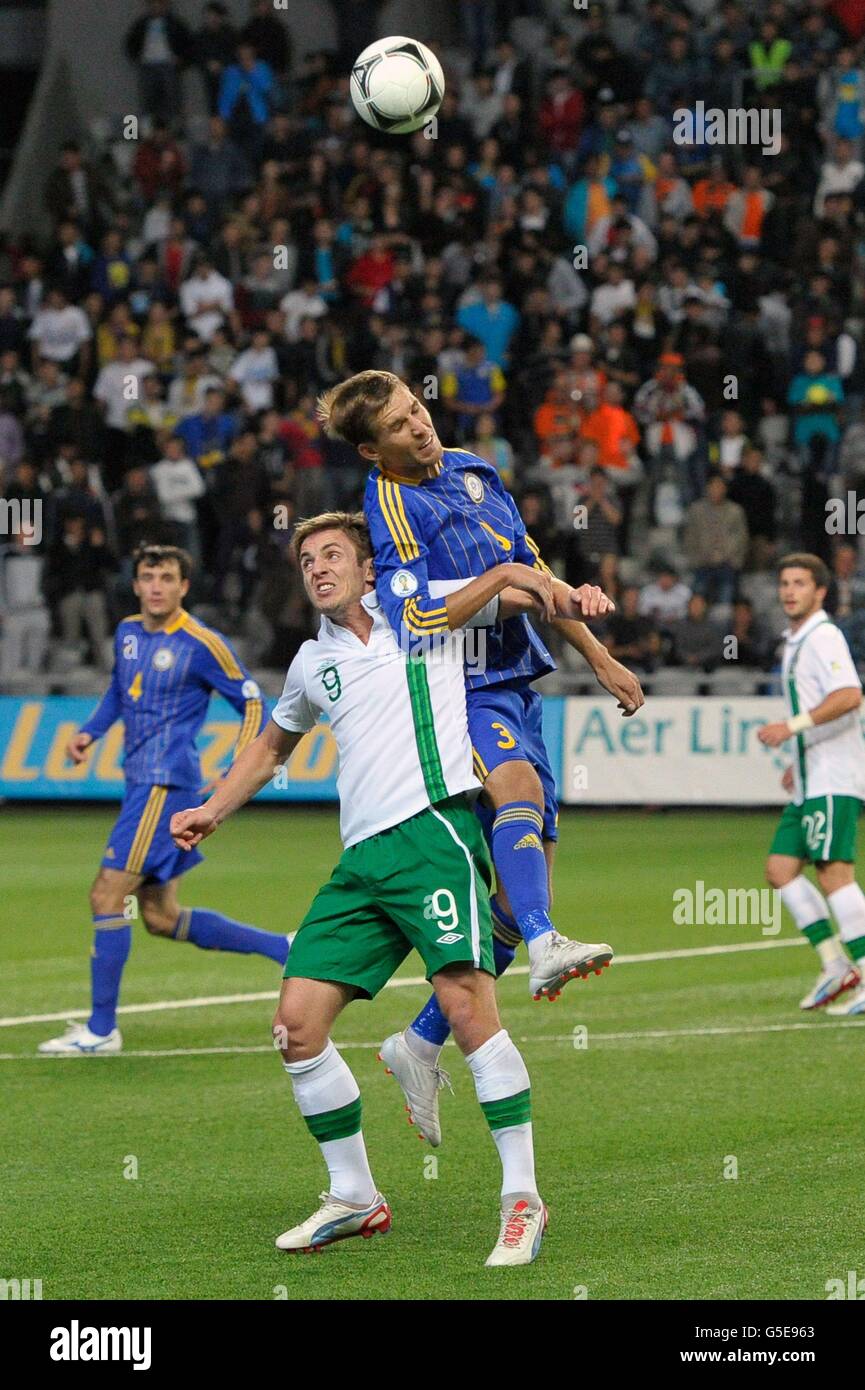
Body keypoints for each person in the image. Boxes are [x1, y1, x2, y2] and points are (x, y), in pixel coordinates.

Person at [171, 512, 551, 1265]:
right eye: (307, 559)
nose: (316, 568)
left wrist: (569, 603)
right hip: (360, 863)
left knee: (465, 1007)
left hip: (433, 836)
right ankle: (354, 1196)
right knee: (296, 1023)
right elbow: (274, 742)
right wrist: (213, 807)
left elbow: (519, 595)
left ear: (367, 567)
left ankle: (522, 1201)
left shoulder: (421, 611)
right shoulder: (312, 662)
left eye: (332, 555)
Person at [318, 370, 645, 1144]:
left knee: (524, 869)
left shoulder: (474, 469)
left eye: (418, 410)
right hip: (454, 684)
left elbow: (532, 567)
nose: (420, 427)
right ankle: (543, 942)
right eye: (400, 426)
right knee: (516, 788)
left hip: (519, 681)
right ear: (373, 449)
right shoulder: (388, 504)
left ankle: (419, 1041)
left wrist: (596, 651)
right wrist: (506, 579)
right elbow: (417, 613)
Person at [38, 543, 285, 1056]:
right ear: (136, 584)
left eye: (166, 577)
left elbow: (253, 698)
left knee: (107, 896)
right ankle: (284, 947)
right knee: (159, 917)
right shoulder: (127, 632)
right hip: (139, 782)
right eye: (148, 576)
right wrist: (90, 732)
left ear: (184, 586)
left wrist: (240, 765)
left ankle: (102, 1031)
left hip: (163, 785)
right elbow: (116, 691)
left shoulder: (201, 642)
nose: (156, 586)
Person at [758, 553, 865, 1015]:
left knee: (834, 873)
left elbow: (850, 695)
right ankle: (834, 964)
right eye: (784, 582)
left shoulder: (824, 637)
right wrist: (797, 760)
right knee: (781, 869)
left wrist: (792, 727)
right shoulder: (799, 639)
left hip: (834, 777)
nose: (789, 591)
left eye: (800, 583)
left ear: (820, 592)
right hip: (811, 777)